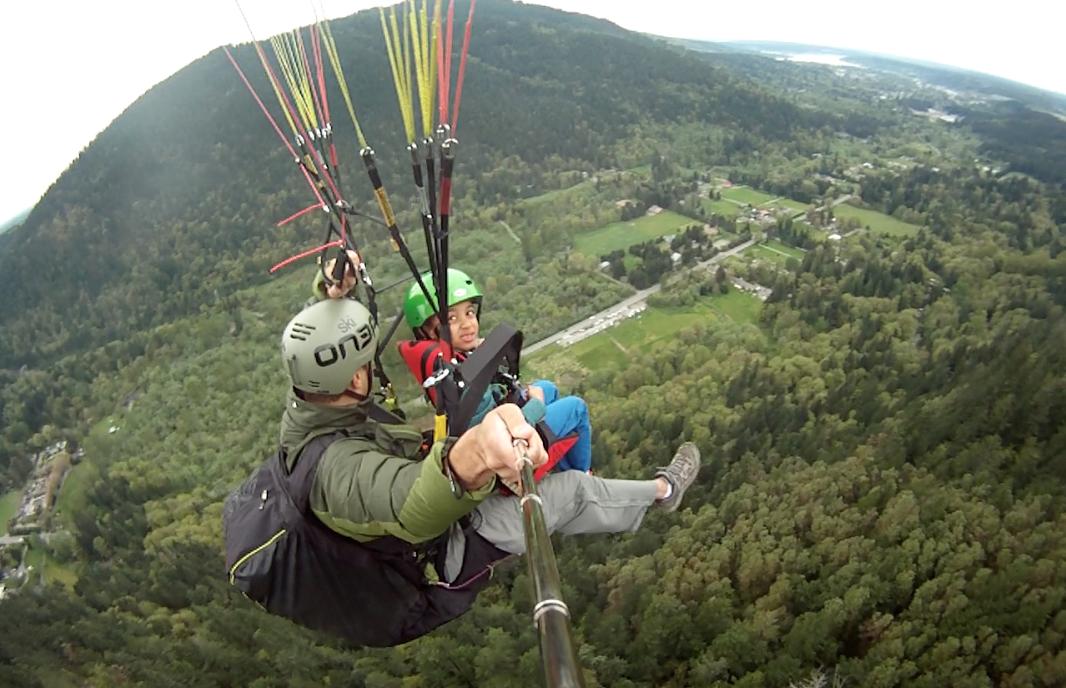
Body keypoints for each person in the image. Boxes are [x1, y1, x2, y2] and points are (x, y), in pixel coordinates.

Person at [229, 270, 701, 646]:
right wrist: (471, 453)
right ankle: (665, 492)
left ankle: (614, 490)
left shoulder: (316, 406)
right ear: (354, 380)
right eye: (365, 365)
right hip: (449, 550)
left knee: (562, 461)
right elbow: (407, 503)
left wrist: (333, 295)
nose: (374, 370)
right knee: (575, 491)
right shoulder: (336, 473)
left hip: (437, 504)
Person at [399, 268, 594, 474]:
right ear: (428, 331)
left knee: (548, 388)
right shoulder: (463, 380)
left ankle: (563, 466)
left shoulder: (444, 367)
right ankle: (583, 476)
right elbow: (498, 437)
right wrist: (536, 404)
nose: (467, 324)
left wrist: (479, 357)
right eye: (452, 319)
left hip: (496, 422)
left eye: (469, 313)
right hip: (505, 458)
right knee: (577, 408)